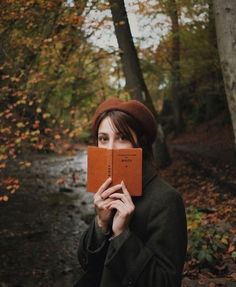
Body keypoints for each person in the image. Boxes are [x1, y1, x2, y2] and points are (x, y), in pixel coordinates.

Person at [75, 98, 187, 287]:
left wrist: (122, 235)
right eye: (103, 139)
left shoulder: (167, 200)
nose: (110, 148)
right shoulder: (106, 191)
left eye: (122, 137)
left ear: (140, 144)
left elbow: (166, 282)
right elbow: (86, 263)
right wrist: (100, 224)